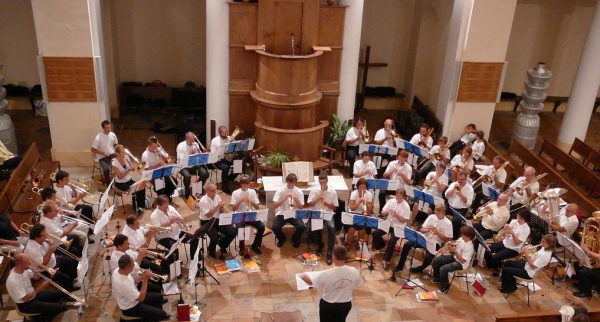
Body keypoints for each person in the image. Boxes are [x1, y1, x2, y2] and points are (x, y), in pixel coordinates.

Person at [299, 245, 362, 322]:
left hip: (328, 305)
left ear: (334, 256)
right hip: (345, 305)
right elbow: (358, 283)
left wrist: (302, 276)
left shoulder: (327, 274)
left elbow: (312, 283)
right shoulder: (354, 271)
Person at [392, 205, 452, 274]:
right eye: (436, 213)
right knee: (407, 244)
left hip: (435, 243)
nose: (437, 215)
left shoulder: (448, 223)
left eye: (439, 213)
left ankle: (420, 268)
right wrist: (427, 230)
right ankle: (400, 266)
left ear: (444, 213)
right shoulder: (431, 217)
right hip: (424, 238)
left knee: (428, 257)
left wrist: (438, 233)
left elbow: (447, 240)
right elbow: (421, 230)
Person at [6, 253, 66, 322]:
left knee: (59, 294)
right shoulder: (13, 281)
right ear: (20, 265)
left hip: (33, 296)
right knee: (58, 308)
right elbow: (25, 298)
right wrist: (40, 288)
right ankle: (40, 319)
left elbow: (36, 278)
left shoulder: (23, 270)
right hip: (26, 305)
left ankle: (44, 312)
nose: (30, 263)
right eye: (28, 262)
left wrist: (36, 274)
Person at [25, 224, 80, 293]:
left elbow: (47, 252)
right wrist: (51, 251)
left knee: (70, 261)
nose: (46, 237)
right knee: (64, 277)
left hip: (52, 262)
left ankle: (70, 284)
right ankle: (65, 294)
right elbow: (42, 265)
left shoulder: (41, 240)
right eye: (44, 236)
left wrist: (50, 245)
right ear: (37, 237)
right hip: (44, 271)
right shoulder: (32, 250)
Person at [112, 255, 169, 321]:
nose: (134, 266)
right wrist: (145, 280)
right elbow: (141, 298)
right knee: (162, 314)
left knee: (160, 297)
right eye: (133, 264)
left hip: (134, 298)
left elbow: (133, 282)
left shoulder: (118, 270)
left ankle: (154, 312)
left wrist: (142, 277)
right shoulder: (123, 283)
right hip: (131, 308)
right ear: (127, 267)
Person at [150, 195, 199, 263]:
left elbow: (181, 217)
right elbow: (159, 230)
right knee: (174, 250)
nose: (168, 206)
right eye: (166, 204)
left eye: (168, 203)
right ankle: (175, 267)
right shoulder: (154, 216)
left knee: (195, 239)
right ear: (160, 205)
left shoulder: (170, 207)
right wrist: (170, 222)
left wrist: (180, 218)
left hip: (176, 232)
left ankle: (194, 261)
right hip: (164, 237)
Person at [372, 188, 410, 270]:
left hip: (399, 226)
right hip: (389, 223)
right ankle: (383, 246)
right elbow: (382, 213)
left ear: (404, 197)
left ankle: (386, 260)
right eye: (397, 197)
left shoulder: (406, 206)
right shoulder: (391, 201)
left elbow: (404, 220)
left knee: (392, 241)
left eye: (400, 198)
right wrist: (386, 212)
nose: (398, 199)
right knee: (375, 233)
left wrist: (396, 215)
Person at [306, 173, 339, 265]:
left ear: (327, 181)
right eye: (321, 183)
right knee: (308, 229)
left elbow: (335, 207)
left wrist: (326, 203)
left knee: (332, 228)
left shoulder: (333, 192)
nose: (323, 185)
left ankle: (329, 253)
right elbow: (309, 204)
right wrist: (318, 198)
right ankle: (319, 243)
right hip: (316, 213)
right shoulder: (314, 190)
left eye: (324, 182)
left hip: (327, 214)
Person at [484, 210, 531, 274]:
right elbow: (505, 235)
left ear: (524, 219)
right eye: (517, 216)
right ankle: (492, 265)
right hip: (505, 242)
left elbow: (517, 243)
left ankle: (498, 267)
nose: (517, 218)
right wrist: (506, 230)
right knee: (487, 250)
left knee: (495, 257)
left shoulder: (526, 229)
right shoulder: (514, 221)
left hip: (513, 249)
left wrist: (512, 233)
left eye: (519, 217)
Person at [53, 171, 95, 241]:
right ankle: (86, 235)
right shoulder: (57, 192)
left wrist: (74, 189)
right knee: (76, 218)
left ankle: (90, 229)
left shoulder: (65, 186)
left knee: (88, 208)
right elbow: (69, 204)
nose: (68, 181)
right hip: (66, 210)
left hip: (71, 206)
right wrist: (80, 197)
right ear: (60, 181)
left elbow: (74, 195)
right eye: (66, 179)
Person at [432, 226, 475, 294]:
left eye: (463, 234)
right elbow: (456, 244)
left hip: (461, 264)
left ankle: (445, 287)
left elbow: (463, 261)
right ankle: (438, 278)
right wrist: (451, 243)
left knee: (443, 269)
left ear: (468, 237)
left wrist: (455, 252)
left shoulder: (469, 247)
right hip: (455, 257)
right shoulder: (462, 239)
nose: (461, 235)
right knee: (437, 260)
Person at [197, 183, 236, 258]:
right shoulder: (203, 201)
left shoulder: (217, 197)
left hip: (217, 219)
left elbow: (220, 212)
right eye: (212, 191)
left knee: (232, 232)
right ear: (207, 191)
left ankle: (222, 245)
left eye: (215, 190)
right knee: (214, 238)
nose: (215, 192)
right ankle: (211, 251)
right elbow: (208, 215)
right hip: (207, 222)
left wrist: (222, 209)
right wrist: (218, 206)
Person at [230, 175, 265, 255]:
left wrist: (251, 201)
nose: (245, 186)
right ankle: (242, 247)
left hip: (250, 214)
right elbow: (234, 209)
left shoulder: (252, 192)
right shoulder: (235, 193)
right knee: (240, 230)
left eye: (247, 184)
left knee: (261, 227)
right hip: (239, 215)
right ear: (241, 184)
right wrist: (241, 200)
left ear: (249, 184)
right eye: (244, 184)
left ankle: (255, 245)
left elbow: (257, 207)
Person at [271, 173, 306, 248]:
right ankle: (281, 238)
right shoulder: (280, 190)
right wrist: (284, 199)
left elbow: (301, 208)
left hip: (294, 213)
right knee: (275, 227)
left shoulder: (299, 191)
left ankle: (295, 238)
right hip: (282, 213)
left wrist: (296, 200)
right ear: (287, 181)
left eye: (293, 182)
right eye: (290, 182)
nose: (291, 184)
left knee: (302, 227)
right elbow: (275, 205)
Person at [112, 144, 146, 215]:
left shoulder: (126, 158)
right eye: (122, 153)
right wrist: (128, 170)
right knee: (135, 190)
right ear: (117, 153)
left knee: (141, 187)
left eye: (124, 152)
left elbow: (133, 170)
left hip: (128, 180)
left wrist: (131, 165)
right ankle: (135, 208)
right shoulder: (114, 163)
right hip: (120, 183)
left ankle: (140, 206)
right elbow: (120, 177)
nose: (124, 154)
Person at [142, 136, 177, 202]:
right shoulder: (145, 155)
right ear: (149, 146)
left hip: (162, 171)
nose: (155, 149)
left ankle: (166, 197)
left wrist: (162, 156)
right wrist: (157, 165)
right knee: (160, 187)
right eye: (154, 147)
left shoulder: (159, 150)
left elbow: (168, 161)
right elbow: (147, 169)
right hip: (152, 175)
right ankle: (163, 200)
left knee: (174, 182)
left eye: (156, 146)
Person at [177, 131, 209, 199]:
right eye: (191, 139)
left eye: (193, 139)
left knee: (205, 174)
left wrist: (201, 153)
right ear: (187, 139)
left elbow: (199, 156)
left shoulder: (195, 144)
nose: (193, 141)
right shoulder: (180, 146)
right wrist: (190, 154)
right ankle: (187, 192)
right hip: (183, 166)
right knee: (187, 177)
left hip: (194, 164)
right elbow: (181, 160)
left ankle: (198, 189)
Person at [444, 171, 474, 239]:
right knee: (439, 211)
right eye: (458, 179)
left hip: (461, 209)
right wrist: (453, 190)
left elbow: (469, 203)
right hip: (449, 206)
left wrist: (461, 195)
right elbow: (446, 195)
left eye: (462, 179)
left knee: (456, 221)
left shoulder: (470, 189)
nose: (460, 181)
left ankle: (454, 237)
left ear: (466, 179)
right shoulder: (454, 184)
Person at [346, 178, 373, 250]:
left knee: (362, 230)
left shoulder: (369, 194)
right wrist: (359, 202)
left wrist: (366, 203)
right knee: (352, 229)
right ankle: (348, 243)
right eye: (361, 186)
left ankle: (359, 244)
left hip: (363, 214)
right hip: (353, 214)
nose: (363, 188)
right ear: (358, 186)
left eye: (364, 187)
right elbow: (352, 208)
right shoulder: (354, 193)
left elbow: (370, 211)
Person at [90, 120, 118, 185]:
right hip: (103, 157)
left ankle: (119, 181)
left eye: (109, 127)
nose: (109, 129)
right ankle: (108, 183)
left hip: (112, 155)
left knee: (120, 164)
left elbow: (116, 144)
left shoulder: (112, 135)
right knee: (106, 169)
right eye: (107, 128)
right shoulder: (98, 137)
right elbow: (92, 149)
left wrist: (117, 152)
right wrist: (103, 153)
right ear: (103, 128)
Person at [210, 126, 236, 194]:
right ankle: (224, 187)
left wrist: (232, 143)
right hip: (218, 160)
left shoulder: (230, 138)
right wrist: (221, 150)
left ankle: (229, 178)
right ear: (220, 133)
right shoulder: (215, 140)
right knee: (226, 168)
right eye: (224, 133)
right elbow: (213, 154)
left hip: (228, 158)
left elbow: (235, 147)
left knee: (239, 164)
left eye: (227, 132)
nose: (226, 134)